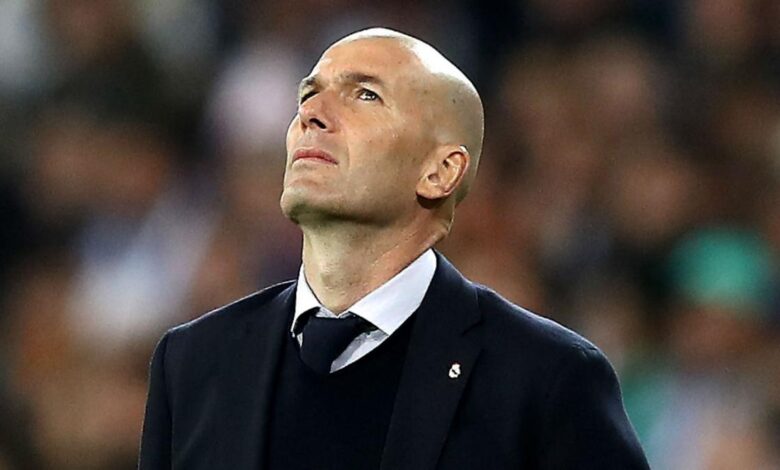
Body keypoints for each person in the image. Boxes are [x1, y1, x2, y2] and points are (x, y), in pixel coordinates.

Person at [139, 28, 649, 470]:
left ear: (440, 172)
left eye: (365, 95)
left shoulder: (545, 379)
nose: (312, 114)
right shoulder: (192, 363)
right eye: (308, 96)